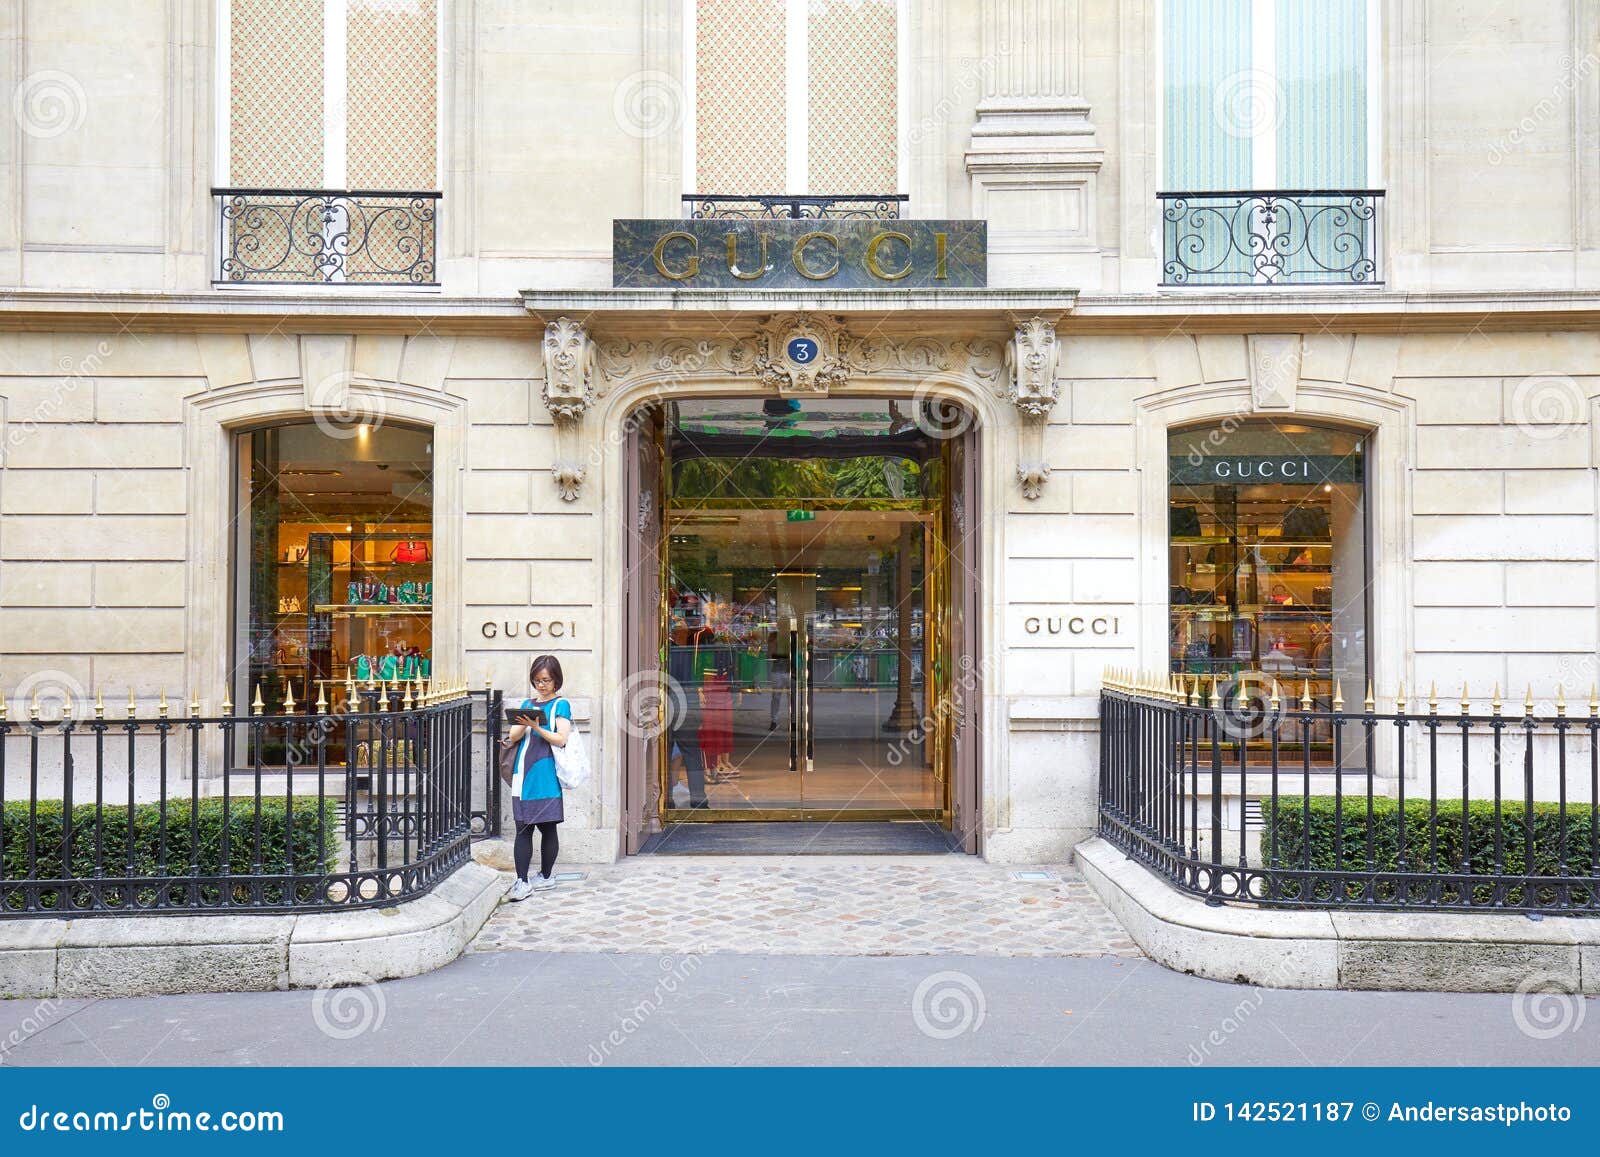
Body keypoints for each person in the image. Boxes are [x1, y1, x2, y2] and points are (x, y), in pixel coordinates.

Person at [505, 655, 572, 901]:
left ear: (556, 680)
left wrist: (537, 727)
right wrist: (524, 721)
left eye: (546, 680)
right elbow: (512, 737)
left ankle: (545, 875)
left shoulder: (561, 705)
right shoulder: (527, 702)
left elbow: (561, 739)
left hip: (545, 773)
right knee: (522, 827)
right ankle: (522, 881)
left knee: (547, 826)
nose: (541, 685)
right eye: (537, 680)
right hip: (523, 772)